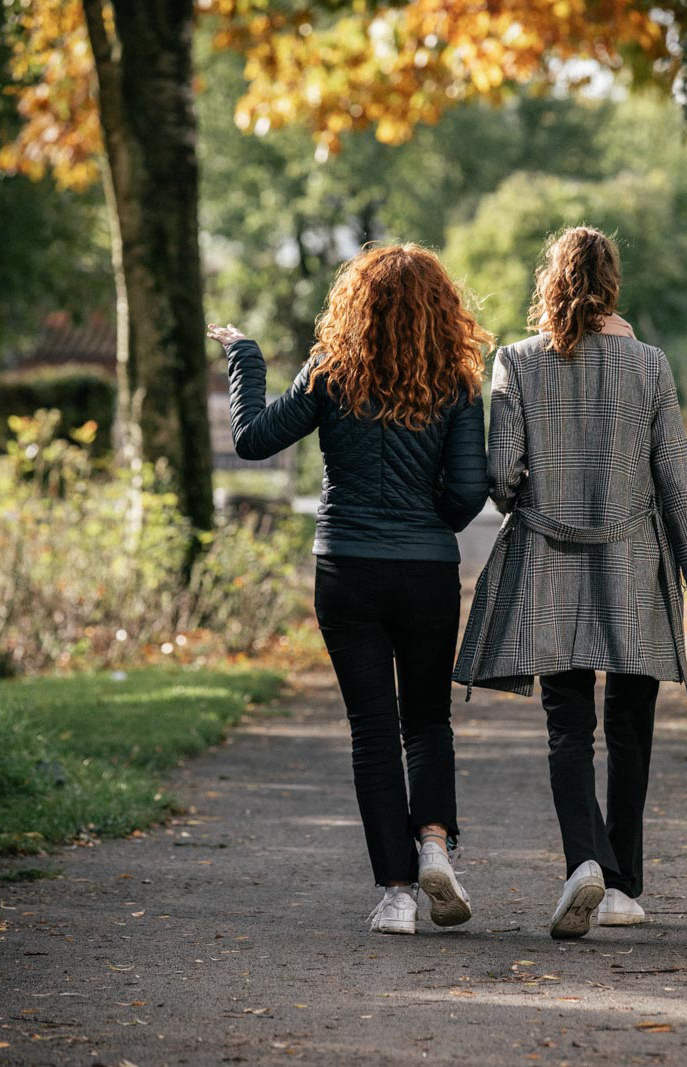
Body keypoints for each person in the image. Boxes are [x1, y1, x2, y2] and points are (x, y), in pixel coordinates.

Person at [208, 244, 491, 935]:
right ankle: (432, 845)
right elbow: (463, 497)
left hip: (346, 568)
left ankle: (396, 894)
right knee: (426, 719)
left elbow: (251, 439)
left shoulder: (329, 373)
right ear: (439, 309)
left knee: (371, 731)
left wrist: (243, 355)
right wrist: (426, 509)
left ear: (354, 304)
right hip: (425, 570)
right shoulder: (455, 382)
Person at [453, 226, 687, 939]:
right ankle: (623, 886)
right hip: (634, 560)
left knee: (567, 723)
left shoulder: (514, 363)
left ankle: (582, 860)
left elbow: (501, 480)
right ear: (613, 284)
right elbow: (678, 482)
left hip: (548, 561)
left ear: (550, 281)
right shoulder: (649, 366)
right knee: (631, 725)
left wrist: (533, 497)